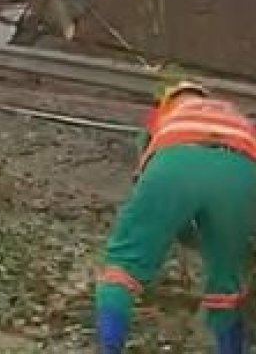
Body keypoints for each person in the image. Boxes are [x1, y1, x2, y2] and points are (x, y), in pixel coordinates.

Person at [96, 80, 256, 354]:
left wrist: (175, 230)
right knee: (226, 283)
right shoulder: (232, 113)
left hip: (175, 161)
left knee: (122, 266)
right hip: (241, 171)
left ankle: (109, 348)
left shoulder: (164, 116)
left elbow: (147, 185)